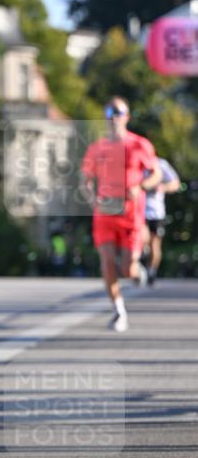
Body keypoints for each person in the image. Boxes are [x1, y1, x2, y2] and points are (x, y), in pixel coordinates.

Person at [80, 97, 161, 332]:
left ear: (127, 117)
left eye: (118, 113)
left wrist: (141, 186)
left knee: (127, 269)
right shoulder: (97, 148)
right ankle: (119, 311)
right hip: (105, 214)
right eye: (109, 113)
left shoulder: (139, 144)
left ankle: (137, 270)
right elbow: (85, 181)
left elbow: (155, 174)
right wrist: (91, 199)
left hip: (131, 215)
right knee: (107, 262)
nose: (113, 118)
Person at [143, 157, 181, 285]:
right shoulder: (135, 162)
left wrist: (163, 187)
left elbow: (176, 183)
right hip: (138, 212)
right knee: (142, 239)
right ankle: (141, 260)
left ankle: (151, 271)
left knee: (154, 245)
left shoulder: (160, 164)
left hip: (156, 212)